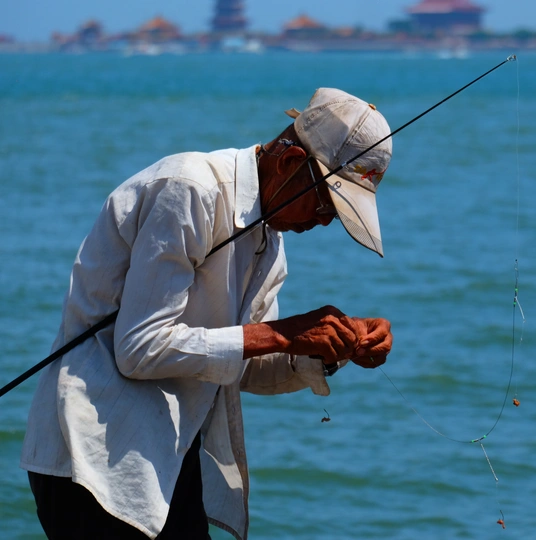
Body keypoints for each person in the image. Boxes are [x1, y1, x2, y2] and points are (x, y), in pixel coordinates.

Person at [20, 88, 394, 540]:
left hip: (166, 457)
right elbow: (139, 349)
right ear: (291, 162)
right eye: (324, 204)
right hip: (93, 456)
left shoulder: (270, 242)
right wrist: (281, 333)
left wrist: (331, 349)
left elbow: (243, 366)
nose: (324, 221)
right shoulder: (190, 190)